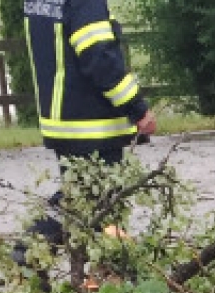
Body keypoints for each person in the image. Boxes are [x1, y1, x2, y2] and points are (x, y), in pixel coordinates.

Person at [19, 0, 156, 252]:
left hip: (64, 119)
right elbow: (99, 58)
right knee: (98, 204)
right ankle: (29, 251)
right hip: (92, 121)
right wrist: (137, 108)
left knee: (82, 202)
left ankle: (83, 271)